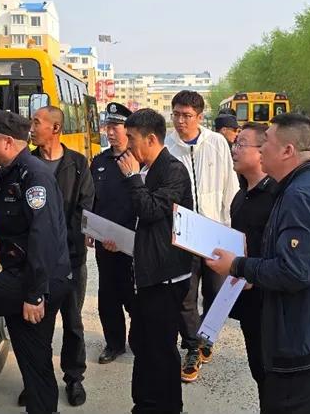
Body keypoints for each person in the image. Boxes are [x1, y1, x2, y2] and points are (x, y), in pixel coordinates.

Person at [207, 113, 310, 414]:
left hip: (309, 342)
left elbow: (295, 271)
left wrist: (238, 266)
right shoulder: (302, 187)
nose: (261, 149)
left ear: (287, 150)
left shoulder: (302, 195)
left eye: (266, 142)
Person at [0, 110, 71, 414]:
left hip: (37, 280)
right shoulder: (10, 173)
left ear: (7, 142)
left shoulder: (34, 177)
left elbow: (44, 238)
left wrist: (34, 295)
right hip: (26, 276)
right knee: (34, 359)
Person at [109, 108, 194, 414]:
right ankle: (144, 404)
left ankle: (168, 407)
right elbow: (137, 219)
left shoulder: (172, 171)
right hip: (143, 272)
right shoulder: (144, 169)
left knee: (161, 349)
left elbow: (151, 210)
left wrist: (133, 177)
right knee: (142, 344)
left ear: (151, 139)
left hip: (165, 276)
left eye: (131, 138)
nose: (127, 144)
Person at [164, 90, 238, 382]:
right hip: (183, 235)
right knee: (185, 295)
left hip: (215, 233)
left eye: (187, 116)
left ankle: (207, 336)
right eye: (176, 115)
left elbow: (229, 187)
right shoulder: (167, 146)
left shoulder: (216, 142)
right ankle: (193, 347)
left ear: (200, 116)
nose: (180, 121)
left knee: (217, 293)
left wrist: (230, 229)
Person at [29, 106, 94, 407]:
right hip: (36, 262)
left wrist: (59, 243)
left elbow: (85, 209)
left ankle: (74, 378)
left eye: (37, 122)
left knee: (73, 323)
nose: (31, 128)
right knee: (36, 325)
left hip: (71, 259)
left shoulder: (78, 165)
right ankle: (37, 381)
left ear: (55, 128)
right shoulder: (27, 164)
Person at [226, 122, 277, 409]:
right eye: (234, 144)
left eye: (241, 144)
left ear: (262, 152)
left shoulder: (278, 197)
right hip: (246, 298)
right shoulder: (241, 195)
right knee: (258, 368)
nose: (234, 149)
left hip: (271, 301)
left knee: (273, 374)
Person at [89, 102, 136, 364]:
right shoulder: (100, 161)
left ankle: (139, 340)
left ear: (128, 129)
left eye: (115, 127)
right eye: (108, 126)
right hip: (103, 240)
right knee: (108, 296)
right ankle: (114, 343)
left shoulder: (138, 160)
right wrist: (89, 227)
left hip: (132, 243)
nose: (110, 132)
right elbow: (92, 198)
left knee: (134, 295)